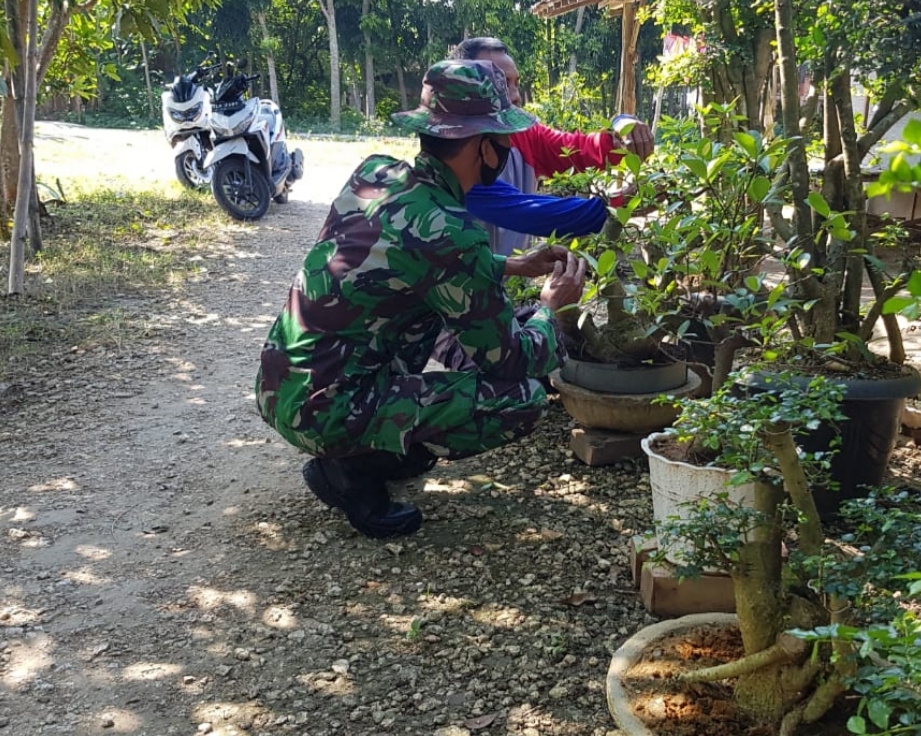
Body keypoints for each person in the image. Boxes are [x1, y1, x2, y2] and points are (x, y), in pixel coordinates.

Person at [255, 59, 586, 539]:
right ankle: (354, 469)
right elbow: (513, 361)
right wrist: (551, 310)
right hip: (322, 413)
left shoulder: (376, 174)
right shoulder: (454, 234)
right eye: (503, 139)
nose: (508, 149)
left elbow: (404, 261)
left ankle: (368, 446)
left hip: (280, 385)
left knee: (429, 319)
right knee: (522, 399)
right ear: (481, 147)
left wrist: (509, 265)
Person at [450, 36, 656, 258]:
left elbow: (578, 148)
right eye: (501, 83)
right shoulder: (454, 154)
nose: (516, 96)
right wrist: (617, 204)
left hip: (508, 285)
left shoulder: (525, 134)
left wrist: (622, 126)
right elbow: (529, 212)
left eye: (515, 83)